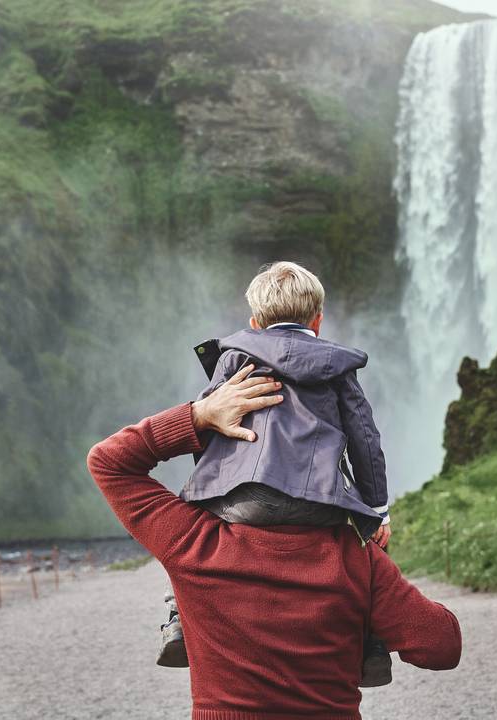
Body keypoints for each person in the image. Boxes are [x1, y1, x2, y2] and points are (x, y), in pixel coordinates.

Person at [87, 366, 460, 718]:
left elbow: (108, 462)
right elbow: (442, 646)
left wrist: (200, 415)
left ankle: (175, 622)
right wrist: (378, 580)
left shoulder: (193, 542)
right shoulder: (355, 559)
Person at [159, 261, 396, 685]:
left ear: (253, 322)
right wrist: (377, 509)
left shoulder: (233, 358)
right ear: (318, 321)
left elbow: (211, 422)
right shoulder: (338, 368)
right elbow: (365, 438)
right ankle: (369, 642)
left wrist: (210, 489)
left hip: (242, 500)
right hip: (318, 501)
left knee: (185, 536)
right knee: (368, 550)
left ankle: (179, 620)